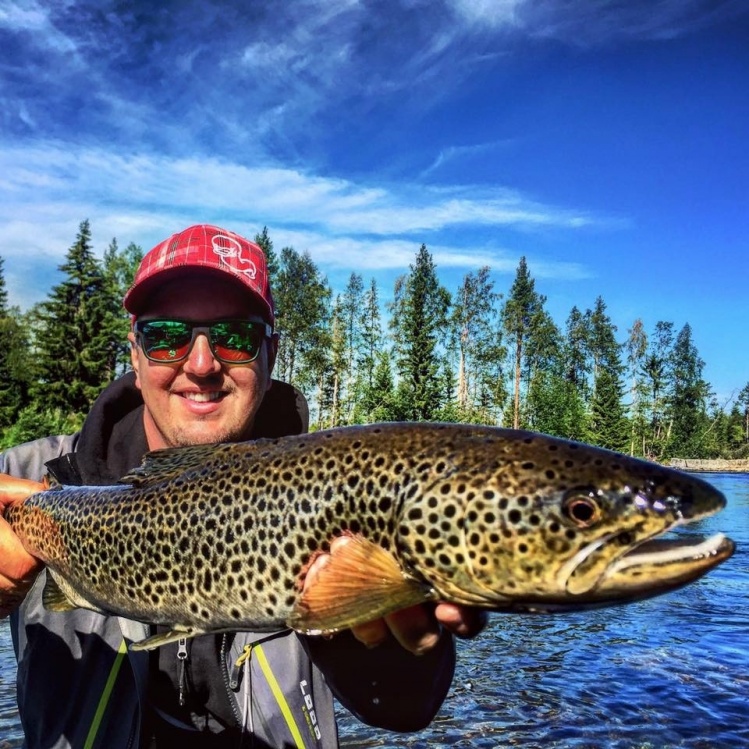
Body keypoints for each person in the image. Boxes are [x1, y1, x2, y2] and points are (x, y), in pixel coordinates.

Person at [0, 224, 485, 748]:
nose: (202, 364)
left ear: (269, 357)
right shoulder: (27, 477)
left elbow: (404, 708)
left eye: (234, 336)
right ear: (136, 356)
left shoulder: (334, 489)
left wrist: (379, 643)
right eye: (166, 336)